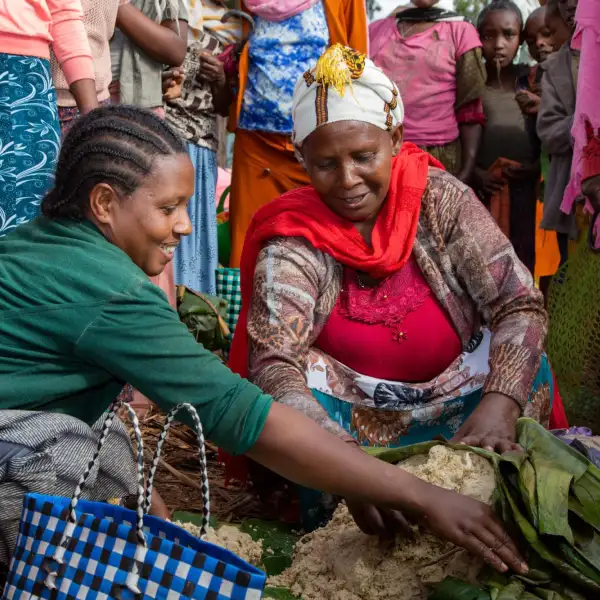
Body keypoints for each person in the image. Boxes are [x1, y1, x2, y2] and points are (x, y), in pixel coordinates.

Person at [0, 104, 528, 578]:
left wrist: (146, 504)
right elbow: (236, 412)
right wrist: (423, 496)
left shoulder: (41, 245)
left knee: (101, 454)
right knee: (68, 469)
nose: (185, 226)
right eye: (168, 208)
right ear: (104, 203)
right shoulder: (109, 290)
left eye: (187, 206)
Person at [229, 44, 557, 480]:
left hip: (469, 411)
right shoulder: (294, 238)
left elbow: (517, 304)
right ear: (301, 159)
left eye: (365, 157)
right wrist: (347, 467)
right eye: (325, 164)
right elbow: (275, 362)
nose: (348, 180)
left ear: (396, 141)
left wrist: (500, 402)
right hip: (349, 431)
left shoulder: (441, 202)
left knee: (526, 361)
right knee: (289, 395)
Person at [227, 0, 368, 267]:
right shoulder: (248, 2)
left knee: (324, 244)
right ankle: (247, 308)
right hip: (257, 143)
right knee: (250, 244)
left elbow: (357, 62)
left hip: (320, 146)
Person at [0, 0, 97, 237]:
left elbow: (64, 13)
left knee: (24, 224)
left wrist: (94, 120)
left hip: (21, 80)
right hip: (23, 78)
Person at [165, 0, 237, 294]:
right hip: (164, 135)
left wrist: (220, 78)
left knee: (193, 236)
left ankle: (195, 313)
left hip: (202, 143)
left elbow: (223, 107)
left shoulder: (234, 24)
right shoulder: (174, 6)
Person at [369, 0, 485, 181]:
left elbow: (469, 109)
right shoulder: (375, 31)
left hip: (439, 157)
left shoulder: (460, 31)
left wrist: (467, 171)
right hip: (382, 155)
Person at [472, 0, 540, 274]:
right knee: (485, 264)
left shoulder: (533, 80)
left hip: (529, 191)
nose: (498, 44)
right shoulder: (472, 85)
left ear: (521, 37)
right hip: (485, 192)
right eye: (489, 36)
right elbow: (458, 135)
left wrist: (537, 168)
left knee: (525, 258)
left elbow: (549, 133)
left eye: (508, 35)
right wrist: (475, 173)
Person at [537, 0, 579, 263]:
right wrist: (586, 123)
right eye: (562, 0)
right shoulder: (555, 67)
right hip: (575, 206)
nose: (571, 4)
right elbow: (549, 130)